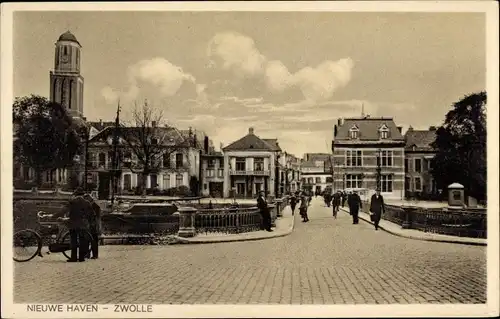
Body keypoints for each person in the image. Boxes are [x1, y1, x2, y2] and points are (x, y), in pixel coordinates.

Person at [67, 188, 92, 262]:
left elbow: (65, 210)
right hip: (82, 224)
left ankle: (73, 258)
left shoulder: (72, 202)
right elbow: (90, 214)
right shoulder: (87, 202)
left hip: (73, 223)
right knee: (82, 240)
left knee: (73, 240)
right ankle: (81, 258)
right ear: (83, 195)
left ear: (75, 195)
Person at [83, 193, 101, 259]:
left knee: (93, 240)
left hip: (93, 225)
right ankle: (89, 254)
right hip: (90, 225)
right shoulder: (92, 205)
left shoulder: (95, 206)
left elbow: (96, 218)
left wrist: (96, 225)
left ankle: (94, 255)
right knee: (89, 240)